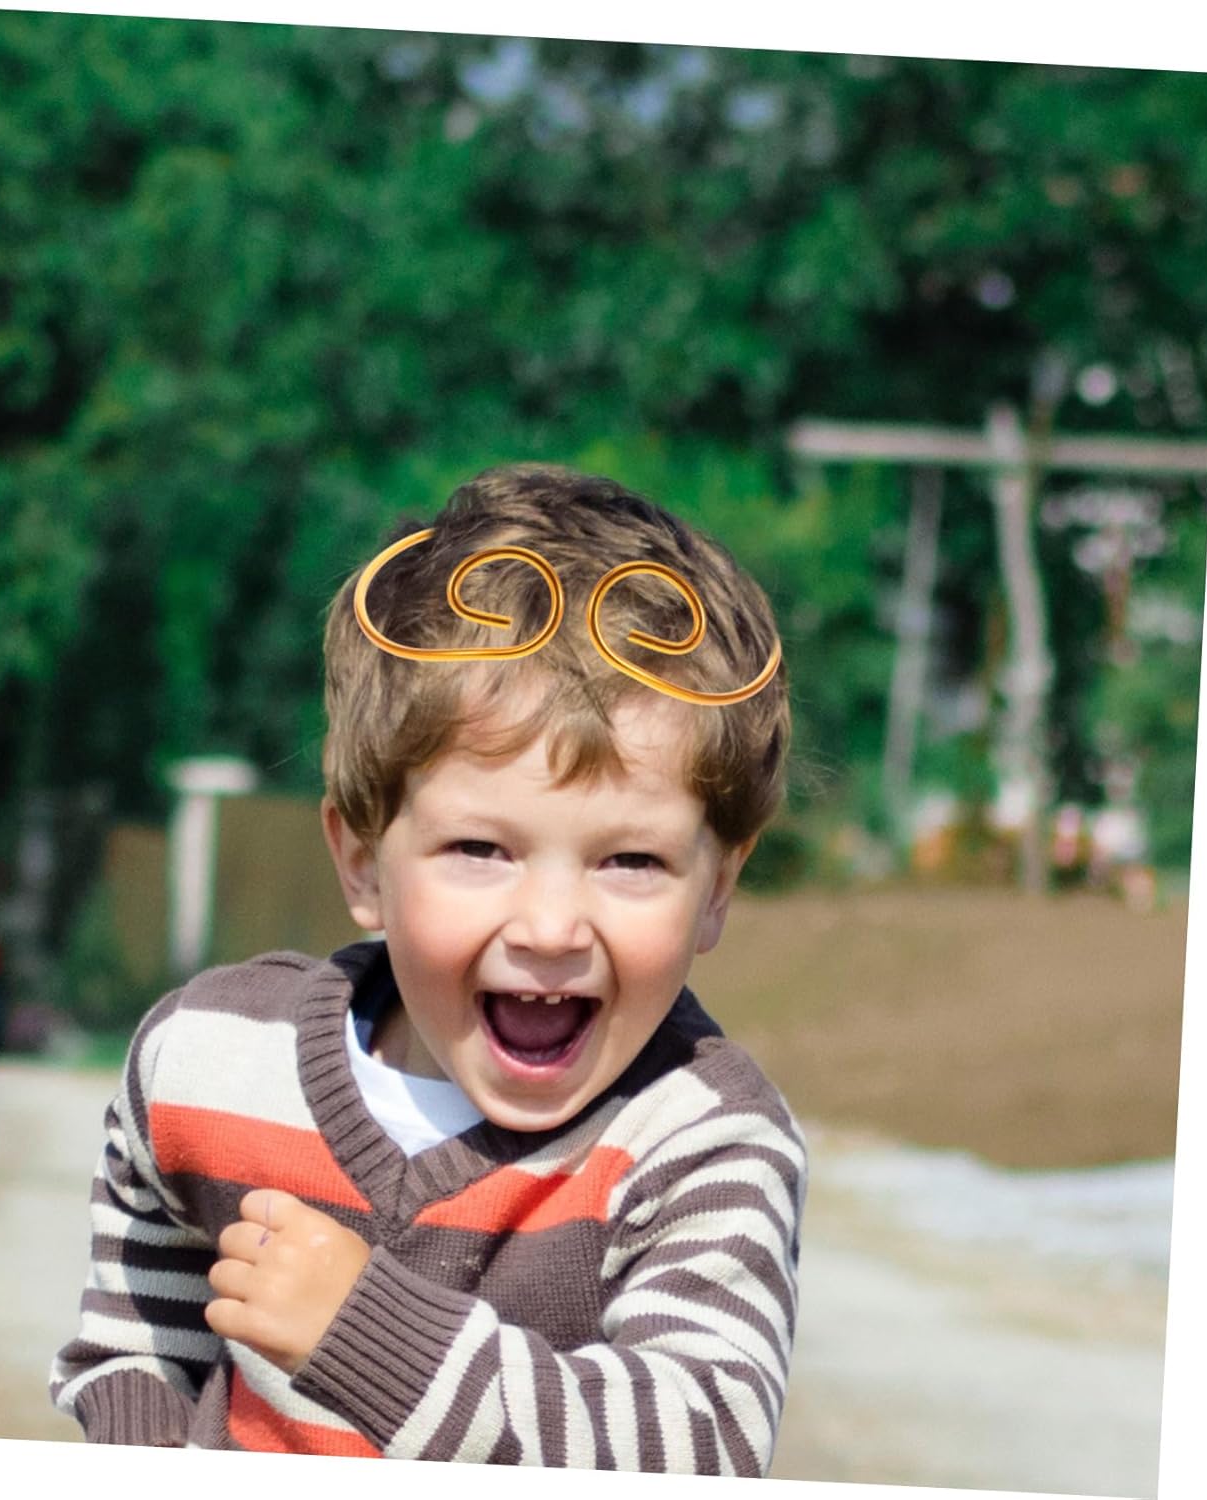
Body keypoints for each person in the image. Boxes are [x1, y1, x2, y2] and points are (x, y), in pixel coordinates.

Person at [50, 463, 807, 1473]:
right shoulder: (212, 1060)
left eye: (630, 861)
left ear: (716, 890)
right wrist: (148, 1447)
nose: (551, 927)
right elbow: (141, 1297)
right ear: (364, 863)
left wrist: (368, 1336)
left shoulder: (699, 1141)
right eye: (480, 850)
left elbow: (705, 1443)